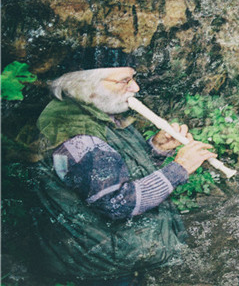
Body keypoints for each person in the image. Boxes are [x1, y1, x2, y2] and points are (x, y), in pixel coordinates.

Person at [31, 56, 217, 285]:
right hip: (97, 265)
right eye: (124, 81)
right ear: (87, 86)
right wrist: (179, 169)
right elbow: (117, 202)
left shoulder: (93, 111)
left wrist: (157, 148)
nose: (135, 88)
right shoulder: (80, 137)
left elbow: (114, 170)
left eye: (133, 79)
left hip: (111, 250)